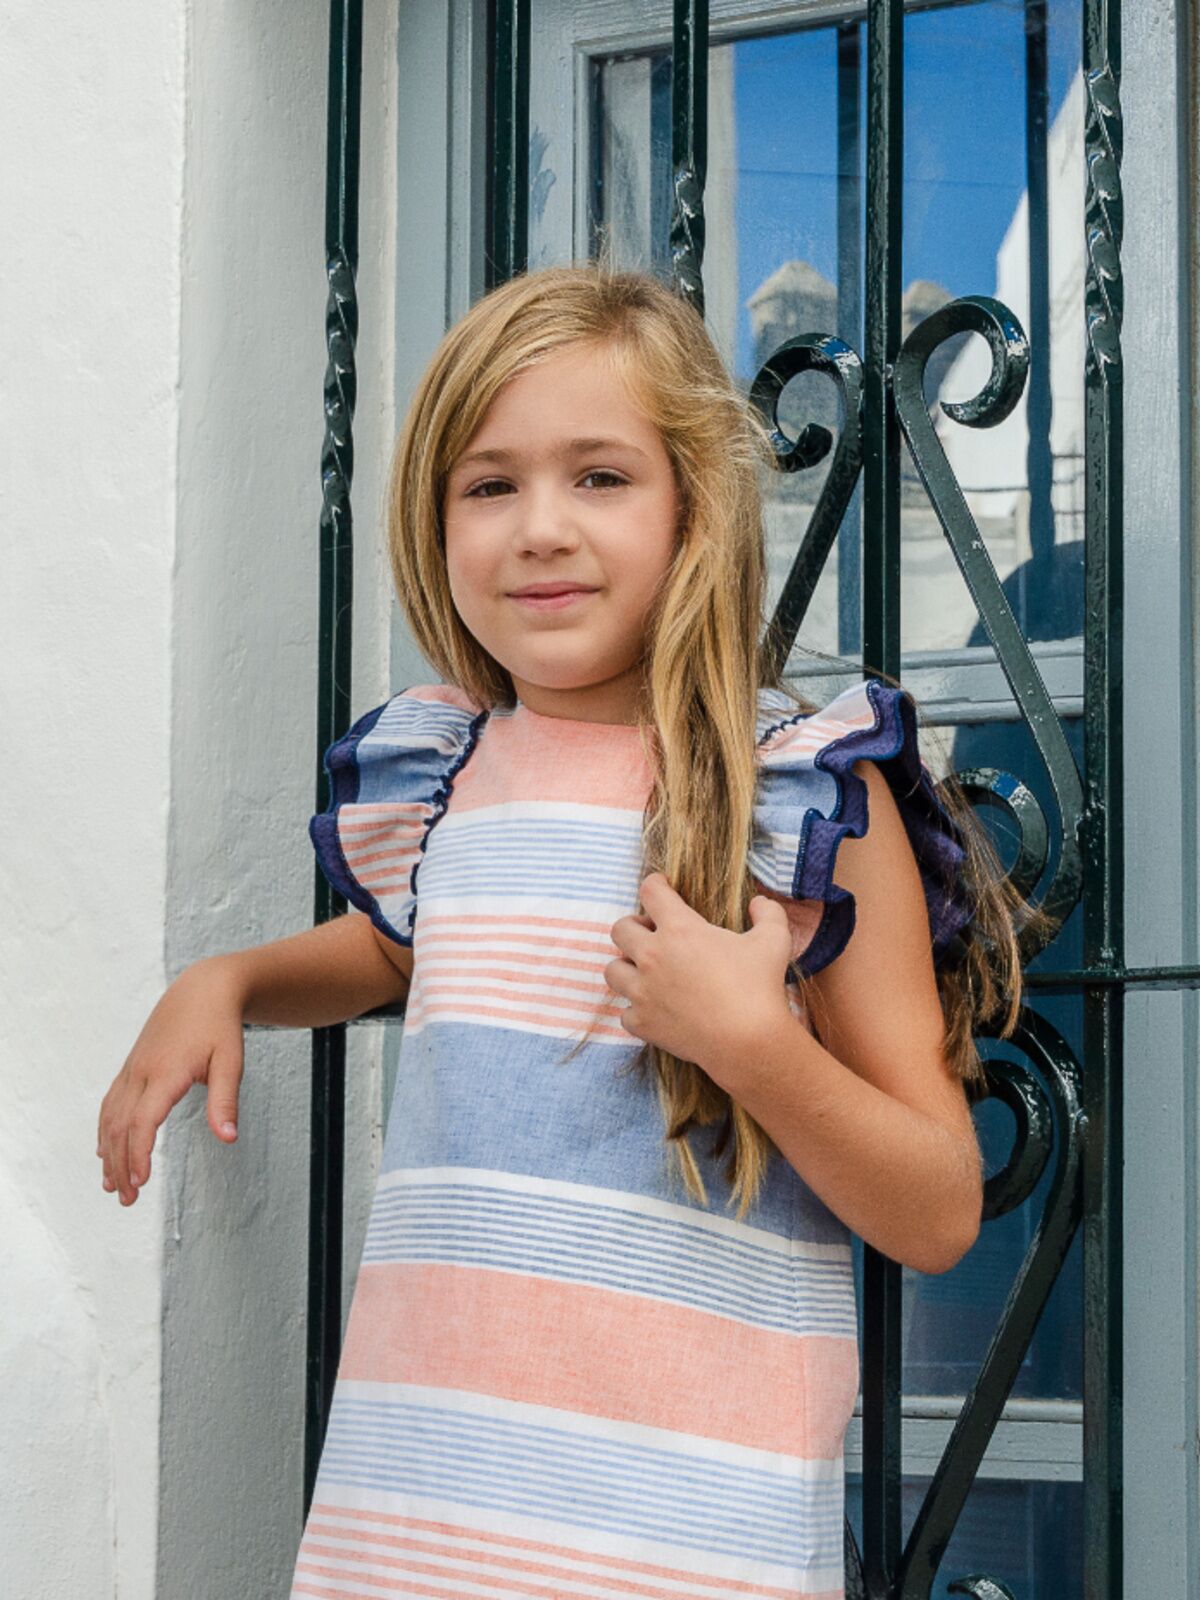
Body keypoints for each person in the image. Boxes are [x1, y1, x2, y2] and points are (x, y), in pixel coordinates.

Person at [97, 260, 1039, 1597]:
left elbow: (941, 1210)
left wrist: (751, 1046)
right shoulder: (449, 771)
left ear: (694, 507)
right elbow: (409, 950)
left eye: (599, 477)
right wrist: (232, 979)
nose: (540, 528)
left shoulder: (801, 796)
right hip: (418, 1521)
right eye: (490, 485)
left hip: (676, 1541)